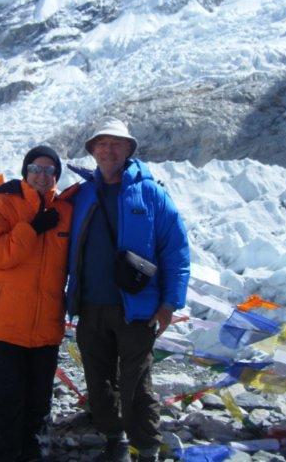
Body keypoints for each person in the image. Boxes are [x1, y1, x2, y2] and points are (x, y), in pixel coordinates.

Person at [66, 118, 190, 462]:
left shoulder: (150, 192)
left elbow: (175, 248)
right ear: (92, 150)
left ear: (129, 150)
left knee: (136, 381)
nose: (108, 150)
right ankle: (114, 440)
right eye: (102, 144)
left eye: (116, 144)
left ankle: (146, 447)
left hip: (137, 307)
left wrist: (169, 303)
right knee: (98, 378)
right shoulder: (83, 193)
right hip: (90, 305)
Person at [0, 145, 73, 462]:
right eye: (35, 168)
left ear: (56, 175)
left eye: (49, 170)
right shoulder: (4, 203)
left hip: (45, 328)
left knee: (38, 407)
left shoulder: (67, 210)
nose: (42, 175)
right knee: (6, 405)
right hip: (3, 325)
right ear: (25, 171)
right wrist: (31, 228)